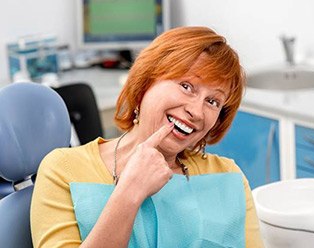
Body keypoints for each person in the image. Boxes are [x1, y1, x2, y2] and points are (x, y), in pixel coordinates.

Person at [30, 26, 264, 248]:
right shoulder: (62, 169)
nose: (197, 111)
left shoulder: (228, 177)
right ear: (145, 84)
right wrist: (130, 192)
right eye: (186, 86)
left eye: (213, 102)